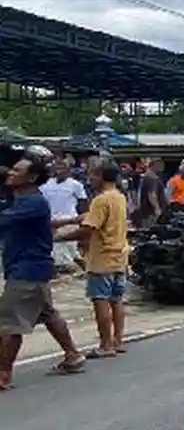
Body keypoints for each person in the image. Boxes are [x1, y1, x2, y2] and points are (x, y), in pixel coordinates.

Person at [0, 146, 87, 389]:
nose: (10, 173)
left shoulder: (31, 202)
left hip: (27, 270)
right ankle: (73, 354)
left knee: (8, 323)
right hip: (34, 268)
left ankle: (3, 373)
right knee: (47, 313)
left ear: (31, 177)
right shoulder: (24, 199)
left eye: (17, 170)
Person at [63, 161, 130, 358]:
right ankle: (117, 341)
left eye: (92, 175)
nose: (89, 179)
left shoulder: (100, 200)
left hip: (102, 258)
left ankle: (106, 345)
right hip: (119, 255)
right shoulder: (119, 196)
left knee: (100, 300)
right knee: (116, 300)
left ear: (101, 176)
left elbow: (87, 230)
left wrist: (58, 237)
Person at [40, 157, 88, 273]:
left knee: (67, 252)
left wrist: (82, 221)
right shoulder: (46, 184)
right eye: (58, 167)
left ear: (69, 170)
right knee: (60, 252)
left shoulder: (75, 185)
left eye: (63, 168)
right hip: (51, 221)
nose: (60, 170)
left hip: (69, 220)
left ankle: (80, 273)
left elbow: (83, 203)